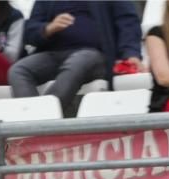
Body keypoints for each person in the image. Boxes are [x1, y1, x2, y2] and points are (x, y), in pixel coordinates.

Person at [8, 0, 142, 117]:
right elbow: (30, 31)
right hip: (54, 54)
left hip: (96, 55)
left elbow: (127, 21)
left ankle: (42, 120)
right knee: (19, 70)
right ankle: (33, 122)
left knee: (79, 61)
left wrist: (130, 53)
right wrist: (48, 28)